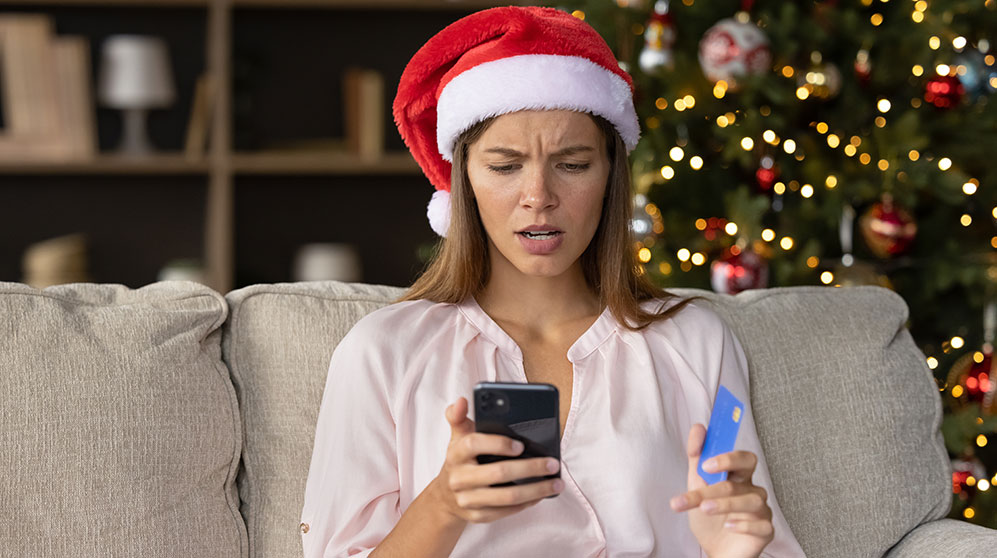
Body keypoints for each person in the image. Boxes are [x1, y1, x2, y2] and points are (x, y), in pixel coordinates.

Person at [300, 6, 806, 558]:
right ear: (462, 181)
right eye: (505, 166)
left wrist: (734, 553)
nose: (538, 196)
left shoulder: (694, 341)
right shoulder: (383, 351)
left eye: (572, 164)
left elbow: (759, 539)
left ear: (611, 176)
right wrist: (443, 505)